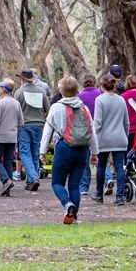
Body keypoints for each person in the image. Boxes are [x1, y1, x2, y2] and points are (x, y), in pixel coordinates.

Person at [40, 76, 98, 225]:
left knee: (57, 183)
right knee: (74, 185)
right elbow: (91, 131)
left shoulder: (56, 107)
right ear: (76, 90)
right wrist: (94, 153)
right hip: (82, 149)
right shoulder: (83, 107)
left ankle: (67, 204)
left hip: (63, 148)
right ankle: (74, 218)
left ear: (61, 90)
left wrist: (42, 152)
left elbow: (47, 131)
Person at [91, 74, 129, 206]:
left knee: (101, 166)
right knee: (119, 167)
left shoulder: (100, 100)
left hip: (104, 139)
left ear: (102, 86)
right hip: (119, 138)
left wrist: (93, 140)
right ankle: (120, 196)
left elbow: (98, 123)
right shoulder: (121, 100)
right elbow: (126, 122)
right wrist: (125, 135)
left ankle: (99, 194)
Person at [15, 68, 50, 191]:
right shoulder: (41, 91)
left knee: (24, 152)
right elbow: (47, 108)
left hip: (24, 125)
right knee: (35, 153)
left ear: (22, 79)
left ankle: (34, 177)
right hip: (39, 125)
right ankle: (31, 181)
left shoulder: (19, 93)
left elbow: (15, 110)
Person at [78, 74, 110, 196]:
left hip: (84, 130)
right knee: (99, 157)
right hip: (99, 129)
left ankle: (84, 186)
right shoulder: (100, 95)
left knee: (85, 158)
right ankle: (108, 178)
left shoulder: (79, 97)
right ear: (95, 83)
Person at [0, 79, 24, 197]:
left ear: (4, 89)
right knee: (8, 161)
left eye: (0, 87)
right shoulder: (16, 103)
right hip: (12, 137)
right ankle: (7, 188)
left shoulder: (0, 103)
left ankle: (6, 180)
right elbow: (21, 121)